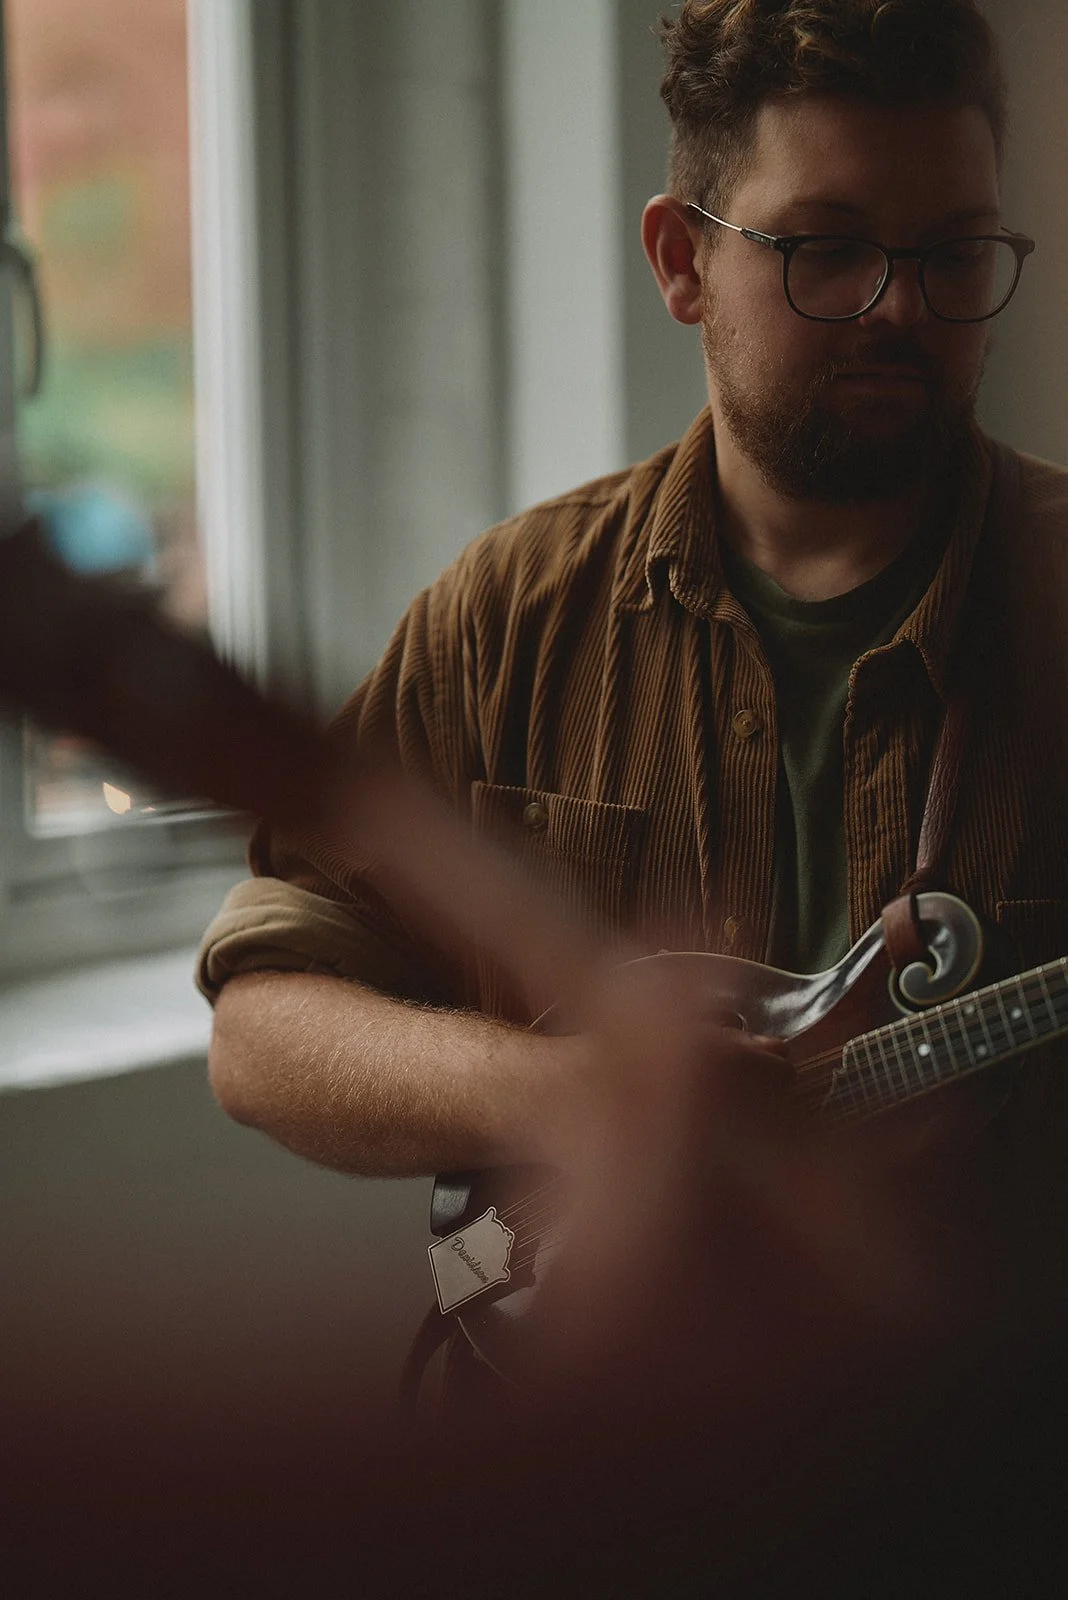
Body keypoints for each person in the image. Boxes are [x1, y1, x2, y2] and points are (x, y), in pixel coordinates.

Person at [199, 0, 1068, 1475]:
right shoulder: (508, 615)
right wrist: (582, 1095)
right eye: (831, 248)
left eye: (952, 252)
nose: (905, 308)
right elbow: (264, 1026)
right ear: (682, 260)